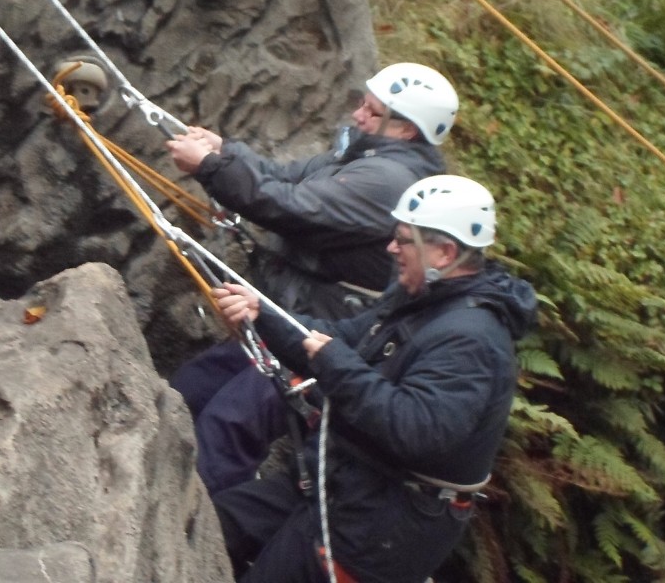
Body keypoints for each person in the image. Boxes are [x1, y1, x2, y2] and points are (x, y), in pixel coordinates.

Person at [208, 174, 538, 582]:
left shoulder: (471, 341)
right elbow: (343, 339)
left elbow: (416, 429)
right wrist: (264, 314)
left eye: (404, 240)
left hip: (382, 525)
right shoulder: (421, 299)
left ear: (444, 253)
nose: (391, 248)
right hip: (341, 483)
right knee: (215, 527)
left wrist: (335, 363)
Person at [164, 63, 462, 496]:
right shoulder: (366, 154)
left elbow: (290, 206)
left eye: (373, 112)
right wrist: (224, 152)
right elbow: (283, 176)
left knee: (230, 425)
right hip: (287, 319)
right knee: (192, 388)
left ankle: (203, 533)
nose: (359, 115)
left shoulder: (389, 180)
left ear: (406, 131)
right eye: (363, 104)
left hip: (316, 335)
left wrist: (212, 169)